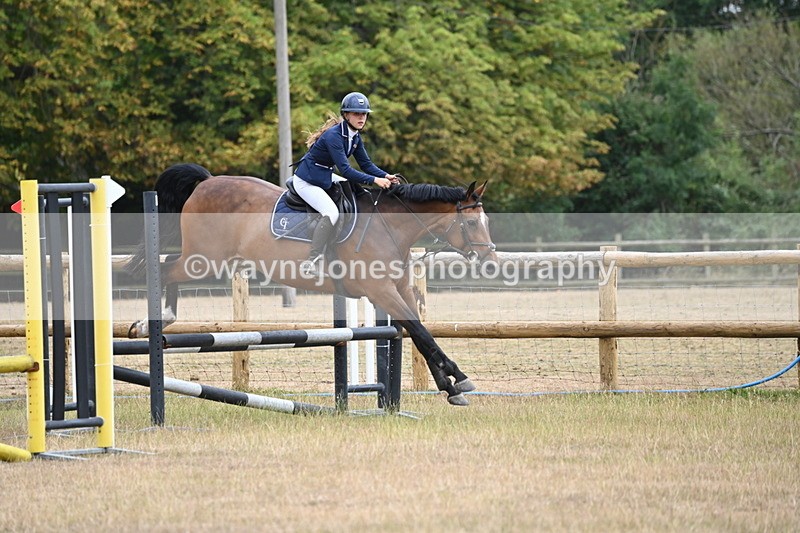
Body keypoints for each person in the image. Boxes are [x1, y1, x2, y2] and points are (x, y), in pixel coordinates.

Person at [293, 91, 397, 275]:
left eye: (364, 114)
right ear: (346, 115)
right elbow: (346, 170)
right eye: (357, 113)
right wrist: (375, 180)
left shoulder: (355, 137)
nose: (361, 118)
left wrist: (386, 175)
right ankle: (312, 261)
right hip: (307, 181)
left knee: (358, 193)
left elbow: (366, 164)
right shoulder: (334, 136)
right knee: (331, 212)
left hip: (324, 177)